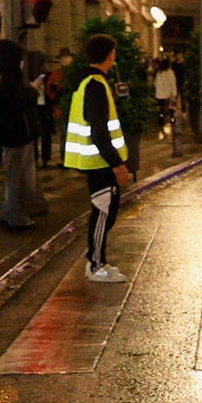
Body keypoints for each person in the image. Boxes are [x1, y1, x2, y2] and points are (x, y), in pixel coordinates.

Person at [64, 35, 133, 282]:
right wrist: (117, 165)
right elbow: (99, 130)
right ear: (110, 55)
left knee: (107, 210)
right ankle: (95, 266)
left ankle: (98, 261)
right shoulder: (95, 84)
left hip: (98, 161)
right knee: (104, 211)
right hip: (99, 162)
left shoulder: (91, 82)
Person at [0, 40, 45, 229]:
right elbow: (19, 102)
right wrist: (33, 90)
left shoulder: (0, 76)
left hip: (12, 133)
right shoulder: (8, 79)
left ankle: (11, 210)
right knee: (16, 174)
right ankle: (13, 214)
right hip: (16, 133)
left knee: (16, 173)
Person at [153, 58, 178, 136]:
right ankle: (172, 119)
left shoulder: (159, 73)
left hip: (159, 94)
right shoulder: (170, 73)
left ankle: (161, 120)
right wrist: (174, 94)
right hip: (168, 94)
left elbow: (155, 83)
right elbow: (173, 84)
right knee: (171, 109)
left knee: (161, 109)